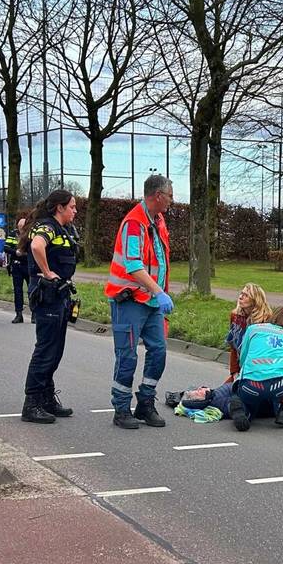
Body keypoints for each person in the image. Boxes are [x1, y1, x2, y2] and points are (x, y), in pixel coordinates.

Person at [105, 175, 174, 430]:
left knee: (159, 351)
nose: (171, 200)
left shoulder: (157, 220)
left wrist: (159, 293)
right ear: (157, 195)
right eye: (169, 195)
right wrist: (158, 291)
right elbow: (133, 265)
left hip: (151, 302)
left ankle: (145, 403)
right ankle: (121, 408)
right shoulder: (134, 223)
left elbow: (159, 260)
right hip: (131, 301)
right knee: (127, 355)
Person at [20, 190, 80, 424]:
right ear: (59, 207)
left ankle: (46, 398)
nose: (75, 211)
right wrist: (47, 272)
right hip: (48, 297)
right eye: (72, 206)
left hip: (60, 295)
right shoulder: (47, 227)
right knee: (46, 351)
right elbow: (36, 246)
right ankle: (32, 403)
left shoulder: (61, 229)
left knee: (55, 351)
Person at [231, 306, 283, 431]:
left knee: (247, 398)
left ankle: (244, 411)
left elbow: (243, 357)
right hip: (281, 386)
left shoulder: (252, 329)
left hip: (250, 384)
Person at [225, 283, 274, 381]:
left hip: (261, 369)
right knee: (220, 394)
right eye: (241, 293)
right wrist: (234, 372)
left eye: (246, 295)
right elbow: (234, 347)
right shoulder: (235, 316)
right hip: (240, 367)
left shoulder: (266, 319)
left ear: (255, 300)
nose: (240, 297)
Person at [3, 217, 30, 324]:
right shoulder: (13, 234)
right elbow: (6, 247)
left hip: (28, 266)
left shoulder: (30, 234)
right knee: (18, 291)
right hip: (17, 266)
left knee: (32, 290)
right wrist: (16, 252)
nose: (21, 229)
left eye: (23, 227)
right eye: (19, 227)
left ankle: (34, 314)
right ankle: (19, 314)